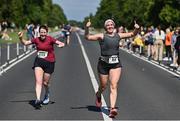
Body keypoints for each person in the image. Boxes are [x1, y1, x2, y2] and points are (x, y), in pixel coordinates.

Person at [85, 19, 139, 118]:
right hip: (103, 64)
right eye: (108, 25)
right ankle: (98, 94)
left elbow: (132, 34)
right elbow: (87, 37)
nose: (110, 26)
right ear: (106, 27)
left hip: (115, 64)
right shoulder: (101, 36)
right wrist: (87, 28)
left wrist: (136, 29)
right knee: (103, 86)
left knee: (114, 85)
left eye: (111, 25)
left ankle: (112, 108)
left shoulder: (118, 35)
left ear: (114, 26)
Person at [18, 25, 65, 109]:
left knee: (45, 83)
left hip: (49, 63)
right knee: (38, 81)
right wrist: (21, 38)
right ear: (39, 33)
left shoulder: (50, 39)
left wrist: (61, 45)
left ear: (46, 32)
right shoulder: (36, 39)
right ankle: (38, 99)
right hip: (39, 62)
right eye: (41, 32)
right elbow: (25, 43)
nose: (42, 34)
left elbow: (60, 43)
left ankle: (47, 94)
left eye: (44, 32)